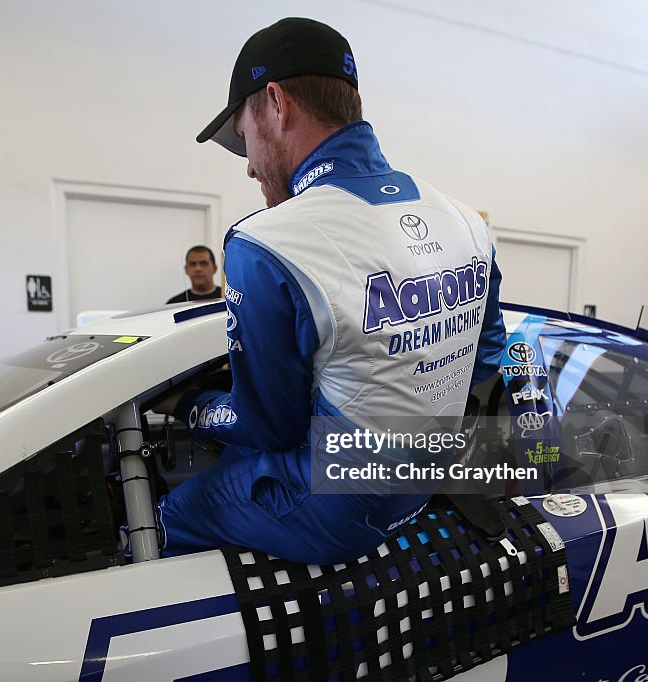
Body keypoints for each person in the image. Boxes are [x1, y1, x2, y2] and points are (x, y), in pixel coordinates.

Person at [154, 18, 506, 565]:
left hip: (341, 509)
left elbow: (271, 426)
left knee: (170, 512)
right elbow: (485, 363)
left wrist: (185, 405)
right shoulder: (466, 221)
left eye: (244, 139)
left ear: (276, 103)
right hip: (432, 476)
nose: (249, 167)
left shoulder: (265, 241)